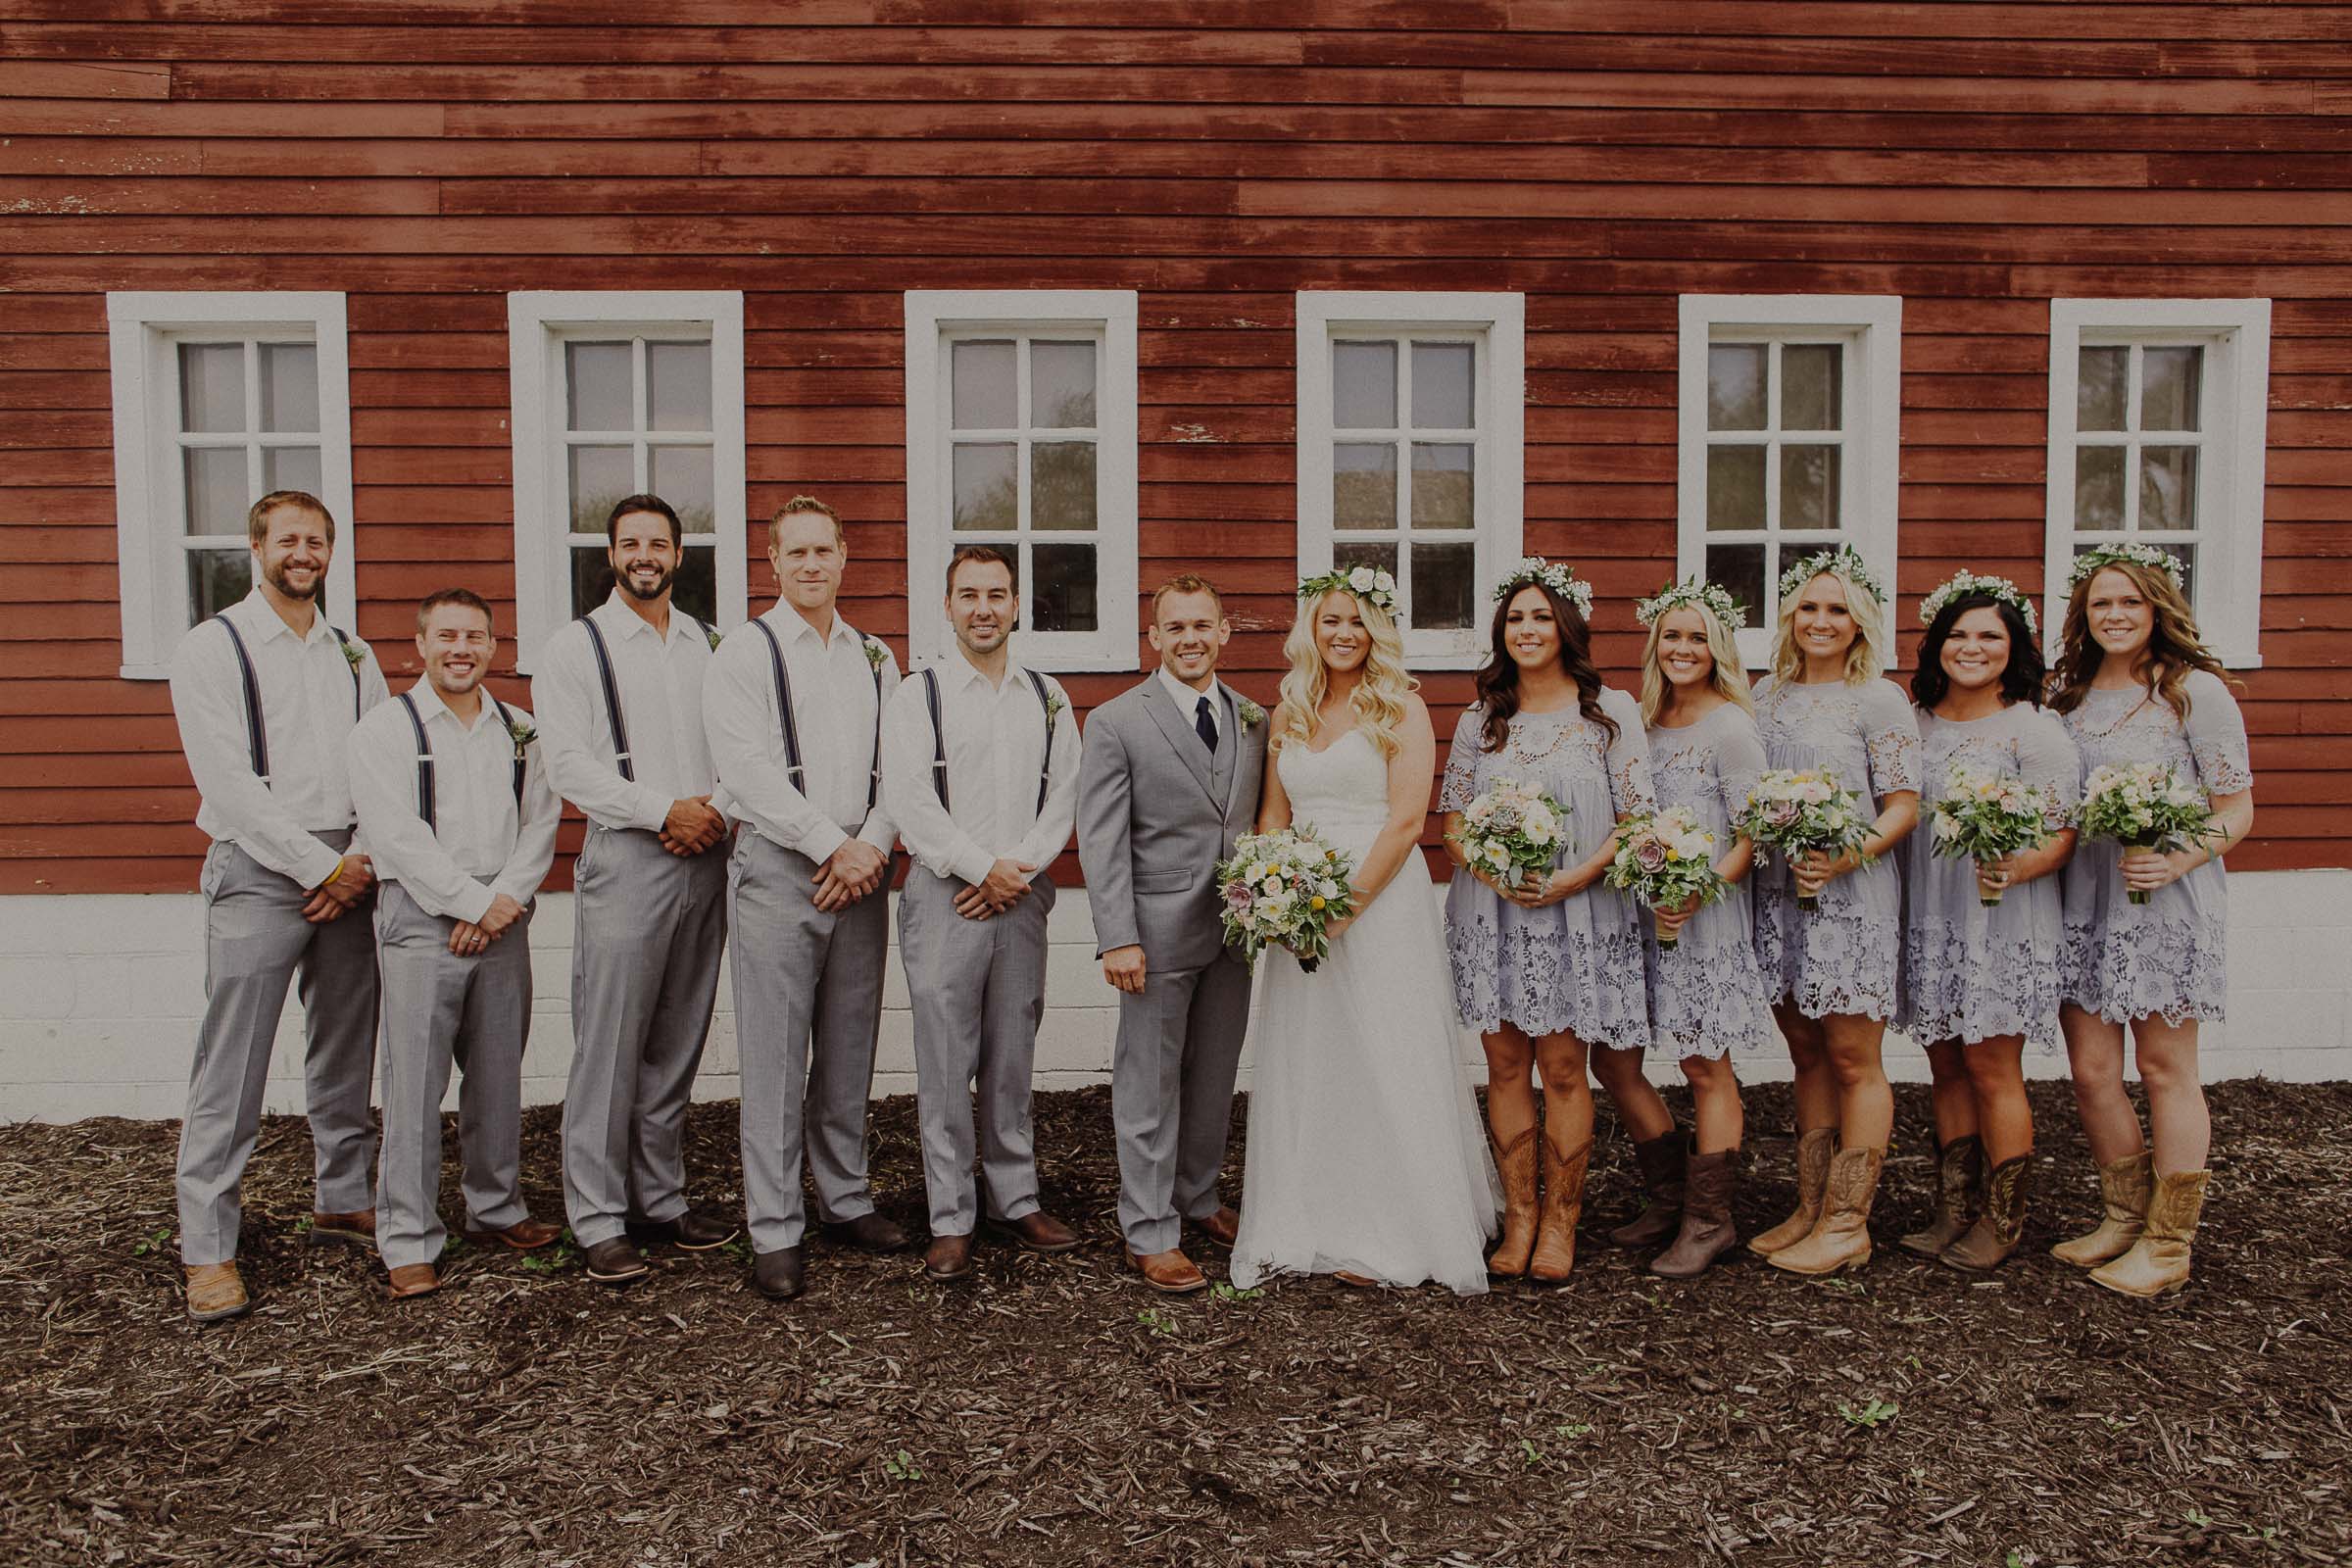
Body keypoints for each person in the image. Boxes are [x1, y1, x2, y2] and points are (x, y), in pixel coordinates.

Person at [1230, 568, 1496, 1295]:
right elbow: (1272, 815)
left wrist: (1342, 908)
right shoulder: (1289, 709)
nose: (1343, 634)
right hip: (1301, 907)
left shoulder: (1400, 707)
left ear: (1376, 631)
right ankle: (1312, 1215)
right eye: (1330, 621)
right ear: (1311, 630)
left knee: (1388, 1050)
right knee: (1315, 1057)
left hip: (1379, 904)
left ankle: (1402, 1224)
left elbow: (1408, 821)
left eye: (1357, 621)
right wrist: (1274, 896)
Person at [168, 490, 389, 1323]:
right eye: (289, 539)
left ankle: (341, 1197)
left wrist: (355, 859)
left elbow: (380, 764)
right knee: (233, 1059)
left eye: (318, 541)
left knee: (343, 1043)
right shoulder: (212, 647)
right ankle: (208, 1248)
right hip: (262, 869)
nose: (305, 552)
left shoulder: (354, 653)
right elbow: (228, 784)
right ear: (257, 546)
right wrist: (318, 865)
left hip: (348, 870)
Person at [704, 496, 907, 1301]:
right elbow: (745, 770)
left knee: (849, 1042)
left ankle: (845, 1198)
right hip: (784, 867)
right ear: (774, 561)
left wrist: (875, 845)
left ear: (845, 556)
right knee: (775, 1051)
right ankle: (776, 1225)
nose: (813, 565)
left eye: (825, 550)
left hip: (863, 867)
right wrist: (834, 846)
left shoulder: (875, 656)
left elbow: (904, 762)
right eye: (798, 553)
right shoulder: (743, 653)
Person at [535, 494, 739, 1288]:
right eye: (631, 543)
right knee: (611, 1040)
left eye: (659, 543)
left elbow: (741, 744)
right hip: (628, 852)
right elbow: (571, 764)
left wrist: (714, 810)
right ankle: (595, 1213)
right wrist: (665, 811)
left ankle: (661, 1198)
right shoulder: (575, 648)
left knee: (678, 1035)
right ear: (611, 554)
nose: (645, 555)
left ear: (680, 555)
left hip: (709, 851)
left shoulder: (710, 644)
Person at [1438, 561, 1653, 1286]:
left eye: (1539, 617)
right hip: (1492, 912)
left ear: (1566, 628)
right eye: (1514, 619)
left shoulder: (1611, 713)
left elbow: (1637, 823)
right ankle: (1518, 1219)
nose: (1526, 630)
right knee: (1503, 1065)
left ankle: (1560, 1223)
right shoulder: (1480, 719)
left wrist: (1573, 876)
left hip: (1579, 912)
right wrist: (1493, 871)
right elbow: (1454, 824)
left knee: (1563, 1068)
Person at [2049, 546, 2254, 1298]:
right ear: (2084, 614)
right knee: (2093, 1071)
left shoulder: (2195, 694)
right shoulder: (2065, 697)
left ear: (2157, 607)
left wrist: (2176, 860)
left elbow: (2237, 809)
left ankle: (2170, 1242)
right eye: (2101, 603)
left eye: (2129, 602)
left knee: (2166, 1068)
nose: (2115, 616)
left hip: (2163, 897)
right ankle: (2122, 1216)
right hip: (2084, 899)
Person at [346, 589, 563, 1299]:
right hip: (421, 914)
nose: (461, 648)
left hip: (504, 911)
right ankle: (407, 1235)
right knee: (415, 1082)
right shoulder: (386, 730)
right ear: (421, 642)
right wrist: (470, 903)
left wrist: (503, 901)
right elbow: (395, 836)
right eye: (447, 635)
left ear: (494, 647)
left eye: (475, 635)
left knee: (498, 1071)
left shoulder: (520, 730)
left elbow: (541, 823)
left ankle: (494, 1207)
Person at [881, 546, 1083, 1284]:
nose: (984, 608)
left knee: (1012, 1050)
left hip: (1022, 892)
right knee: (943, 1058)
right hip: (945, 894)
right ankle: (950, 1216)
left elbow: (1064, 794)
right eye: (969, 594)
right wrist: (978, 868)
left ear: (1017, 604)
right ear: (948, 605)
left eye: (997, 594)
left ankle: (1015, 1196)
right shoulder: (919, 695)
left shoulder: (1047, 696)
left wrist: (1017, 870)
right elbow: (910, 798)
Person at [1075, 574, 1268, 1295]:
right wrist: (1116, 936)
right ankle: (1149, 1229)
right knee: (1148, 1083)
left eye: (1203, 626)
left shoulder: (1254, 718)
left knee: (1214, 1078)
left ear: (1225, 633)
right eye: (1175, 628)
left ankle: (1198, 1198)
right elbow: (1101, 838)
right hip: (1151, 935)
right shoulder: (1118, 721)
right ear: (1154, 638)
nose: (1190, 639)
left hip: (1234, 933)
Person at [1896, 573, 2078, 1272]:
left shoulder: (2034, 730)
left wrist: (2018, 866)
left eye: (1989, 637)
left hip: (2000, 918)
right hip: (1934, 913)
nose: (1971, 648)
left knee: (1991, 1064)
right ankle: (1953, 1204)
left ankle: (2003, 1219)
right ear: (1937, 644)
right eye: (1958, 635)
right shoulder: (1918, 724)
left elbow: (2063, 833)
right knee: (1943, 1060)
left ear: (2015, 648)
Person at [1747, 545, 1921, 1276]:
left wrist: (1843, 857)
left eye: (1838, 610)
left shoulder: (1877, 699)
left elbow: (1904, 805)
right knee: (1805, 1048)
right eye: (1809, 607)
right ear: (1790, 615)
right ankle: (1811, 1204)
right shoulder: (1763, 695)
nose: (1822, 621)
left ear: (1860, 623)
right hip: (1781, 894)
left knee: (1853, 1054)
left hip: (1851, 895)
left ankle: (1850, 1222)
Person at [1630, 579, 1774, 1278]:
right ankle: (1666, 1196)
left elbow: (1753, 835)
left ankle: (1709, 1219)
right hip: (1642, 914)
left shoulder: (1731, 727)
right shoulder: (1645, 722)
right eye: (1672, 635)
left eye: (1697, 638)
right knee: (1616, 1059)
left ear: (1719, 649)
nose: (1683, 648)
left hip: (1705, 919)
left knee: (1703, 1063)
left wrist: (1701, 891)